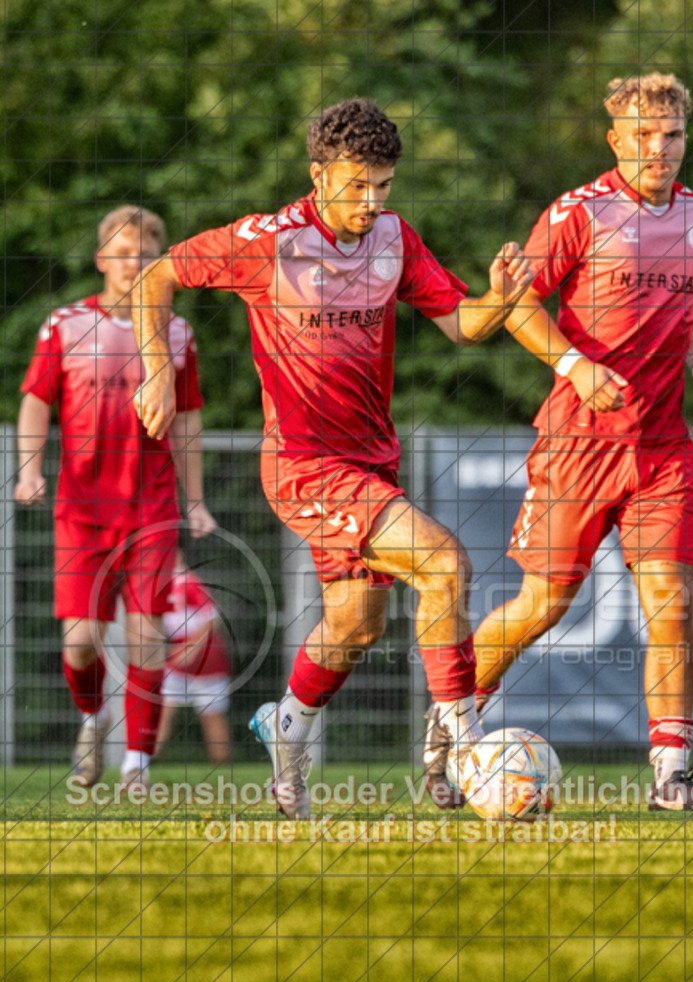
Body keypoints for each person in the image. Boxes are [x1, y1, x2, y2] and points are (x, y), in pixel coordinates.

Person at [131, 98, 532, 818]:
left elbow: (460, 326)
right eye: (357, 185)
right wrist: (157, 367)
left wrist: (500, 302)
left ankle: (287, 727)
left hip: (371, 461)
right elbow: (154, 277)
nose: (371, 202)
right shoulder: (269, 241)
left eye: (383, 186)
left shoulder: (395, 240)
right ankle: (461, 739)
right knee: (445, 564)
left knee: (358, 623)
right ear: (318, 175)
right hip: (304, 464)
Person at [424, 72, 693, 813]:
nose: (658, 150)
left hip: (660, 448)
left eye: (672, 137)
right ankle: (445, 727)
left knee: (671, 601)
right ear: (614, 140)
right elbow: (515, 303)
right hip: (577, 443)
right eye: (643, 138)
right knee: (542, 604)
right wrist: (573, 364)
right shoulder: (578, 214)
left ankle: (670, 777)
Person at [16, 205, 216, 791]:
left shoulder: (177, 332)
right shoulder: (65, 324)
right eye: (124, 252)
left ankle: (137, 766)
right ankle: (92, 716)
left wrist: (195, 499)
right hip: (82, 511)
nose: (136, 262)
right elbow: (34, 399)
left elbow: (188, 420)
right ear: (103, 259)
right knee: (79, 643)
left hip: (151, 508)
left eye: (148, 254)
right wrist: (29, 469)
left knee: (147, 638)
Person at [154, 551, 233, 765]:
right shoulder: (166, 584)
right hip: (188, 652)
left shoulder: (186, 583)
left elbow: (212, 618)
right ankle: (142, 762)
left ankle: (141, 761)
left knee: (172, 711)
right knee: (168, 710)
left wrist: (190, 649)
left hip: (201, 652)